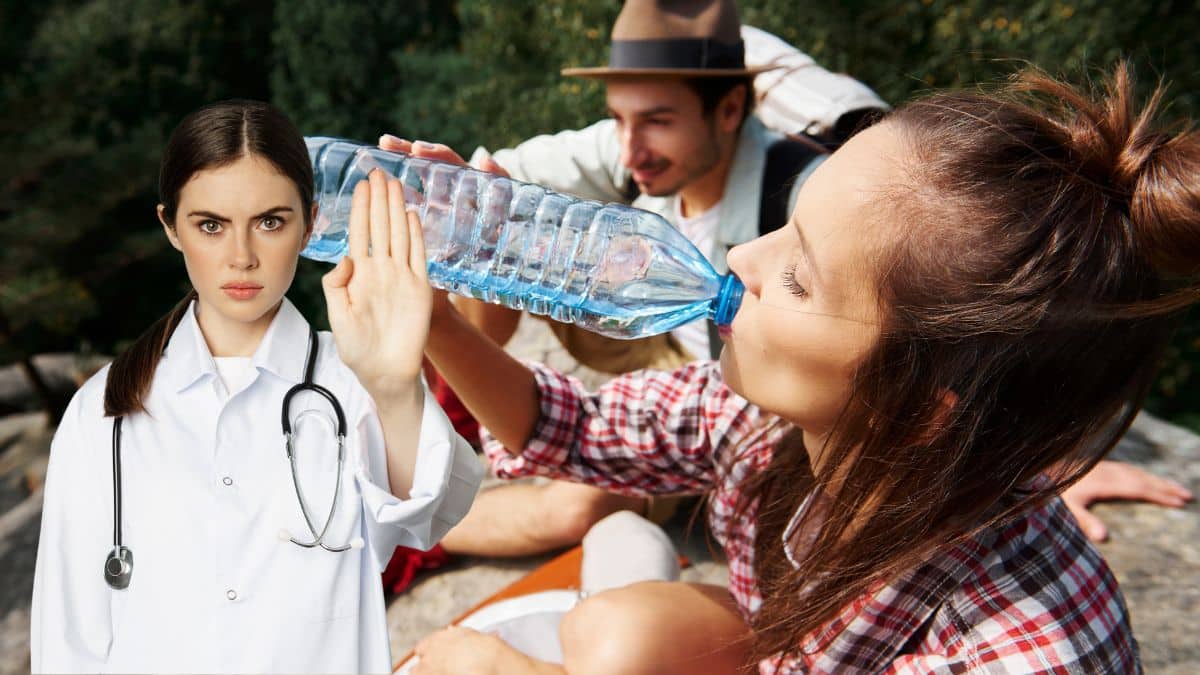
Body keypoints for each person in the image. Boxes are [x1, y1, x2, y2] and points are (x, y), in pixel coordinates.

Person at [405, 62, 1185, 673]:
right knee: (625, 631)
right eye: (785, 229)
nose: (743, 257)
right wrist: (436, 312)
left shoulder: (1014, 649)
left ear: (916, 408)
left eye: (800, 276)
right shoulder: (771, 419)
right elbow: (568, 425)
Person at [29, 100, 483, 673]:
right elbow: (67, 641)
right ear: (170, 226)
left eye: (270, 221)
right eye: (210, 225)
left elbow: (433, 513)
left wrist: (393, 388)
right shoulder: (101, 411)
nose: (241, 257)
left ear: (310, 223)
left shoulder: (356, 382)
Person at [382, 0, 842, 559]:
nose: (629, 148)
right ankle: (446, 410)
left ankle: (407, 524)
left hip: (748, 390)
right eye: (618, 118)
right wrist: (469, 199)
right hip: (664, 343)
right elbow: (493, 171)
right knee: (503, 229)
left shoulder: (807, 201)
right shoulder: (637, 152)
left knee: (581, 505)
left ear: (728, 110)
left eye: (656, 121)